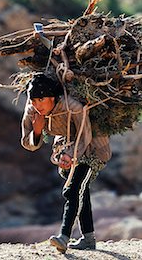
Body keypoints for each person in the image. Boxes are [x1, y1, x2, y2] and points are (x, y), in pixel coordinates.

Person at [21, 73, 112, 253]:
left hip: (93, 149)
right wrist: (37, 132)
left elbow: (85, 136)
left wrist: (72, 156)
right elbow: (26, 142)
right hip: (66, 151)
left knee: (72, 189)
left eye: (41, 100)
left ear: (52, 98)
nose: (37, 105)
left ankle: (64, 236)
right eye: (33, 100)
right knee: (80, 192)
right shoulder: (32, 110)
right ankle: (89, 239)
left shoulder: (72, 106)